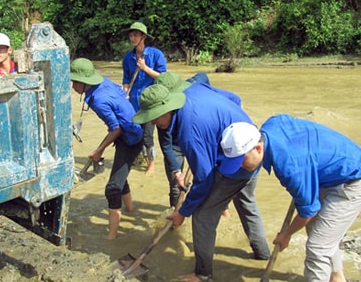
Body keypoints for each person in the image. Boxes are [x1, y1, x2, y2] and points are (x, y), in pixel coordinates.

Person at [218, 115, 361, 282]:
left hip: (353, 182)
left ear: (258, 149)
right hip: (329, 175)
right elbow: (290, 124)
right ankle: (337, 281)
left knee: (318, 247)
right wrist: (310, 167)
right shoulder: (270, 127)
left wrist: (287, 234)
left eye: (241, 161)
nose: (239, 168)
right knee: (318, 231)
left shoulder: (289, 166)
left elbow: (309, 210)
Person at [133, 84, 271, 282]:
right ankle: (263, 256)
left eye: (154, 116)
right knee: (245, 203)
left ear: (167, 109)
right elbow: (234, 98)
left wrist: (183, 212)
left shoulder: (190, 132)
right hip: (252, 144)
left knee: (203, 216)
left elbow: (204, 180)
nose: (152, 122)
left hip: (241, 158)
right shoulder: (193, 90)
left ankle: (203, 274)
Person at [70, 58, 144, 240]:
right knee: (120, 178)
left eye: (74, 82)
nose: (72, 86)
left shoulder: (99, 100)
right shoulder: (103, 82)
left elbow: (116, 128)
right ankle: (130, 211)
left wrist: (99, 151)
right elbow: (122, 92)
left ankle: (111, 238)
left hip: (131, 138)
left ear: (84, 82)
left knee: (112, 189)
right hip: (131, 130)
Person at [154, 71, 239, 215]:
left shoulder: (196, 88)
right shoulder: (160, 113)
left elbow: (234, 100)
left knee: (209, 178)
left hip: (196, 137)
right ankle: (176, 216)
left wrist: (221, 132)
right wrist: (177, 171)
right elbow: (166, 145)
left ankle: (223, 210)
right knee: (176, 185)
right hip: (177, 145)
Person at [122, 22, 167, 174]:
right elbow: (126, 80)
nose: (132, 38)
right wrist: (125, 92)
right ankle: (138, 157)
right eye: (130, 35)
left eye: (135, 35)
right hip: (134, 102)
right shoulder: (128, 57)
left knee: (148, 135)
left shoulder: (156, 55)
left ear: (143, 37)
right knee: (134, 131)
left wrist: (145, 68)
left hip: (150, 103)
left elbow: (163, 77)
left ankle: (151, 163)